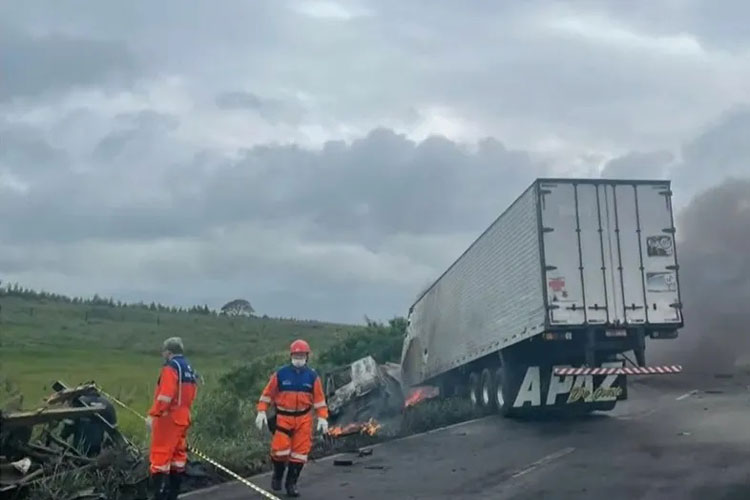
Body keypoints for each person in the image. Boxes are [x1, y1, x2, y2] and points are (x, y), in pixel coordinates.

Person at [255, 339, 329, 497]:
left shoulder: (312, 376)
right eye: (296, 355)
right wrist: (261, 411)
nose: (299, 358)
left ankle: (291, 484)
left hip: (303, 419)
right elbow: (267, 394)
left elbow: (319, 400)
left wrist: (323, 417)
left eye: (302, 355)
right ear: (291, 356)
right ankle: (278, 475)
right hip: (283, 418)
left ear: (307, 357)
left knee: (300, 454)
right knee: (279, 452)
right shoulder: (280, 374)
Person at [146, 337, 198, 500]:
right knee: (178, 458)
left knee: (160, 458)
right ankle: (173, 495)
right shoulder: (188, 368)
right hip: (183, 417)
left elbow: (165, 396)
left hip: (168, 419)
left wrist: (154, 414)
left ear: (168, 352)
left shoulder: (171, 367)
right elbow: (192, 393)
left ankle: (158, 495)